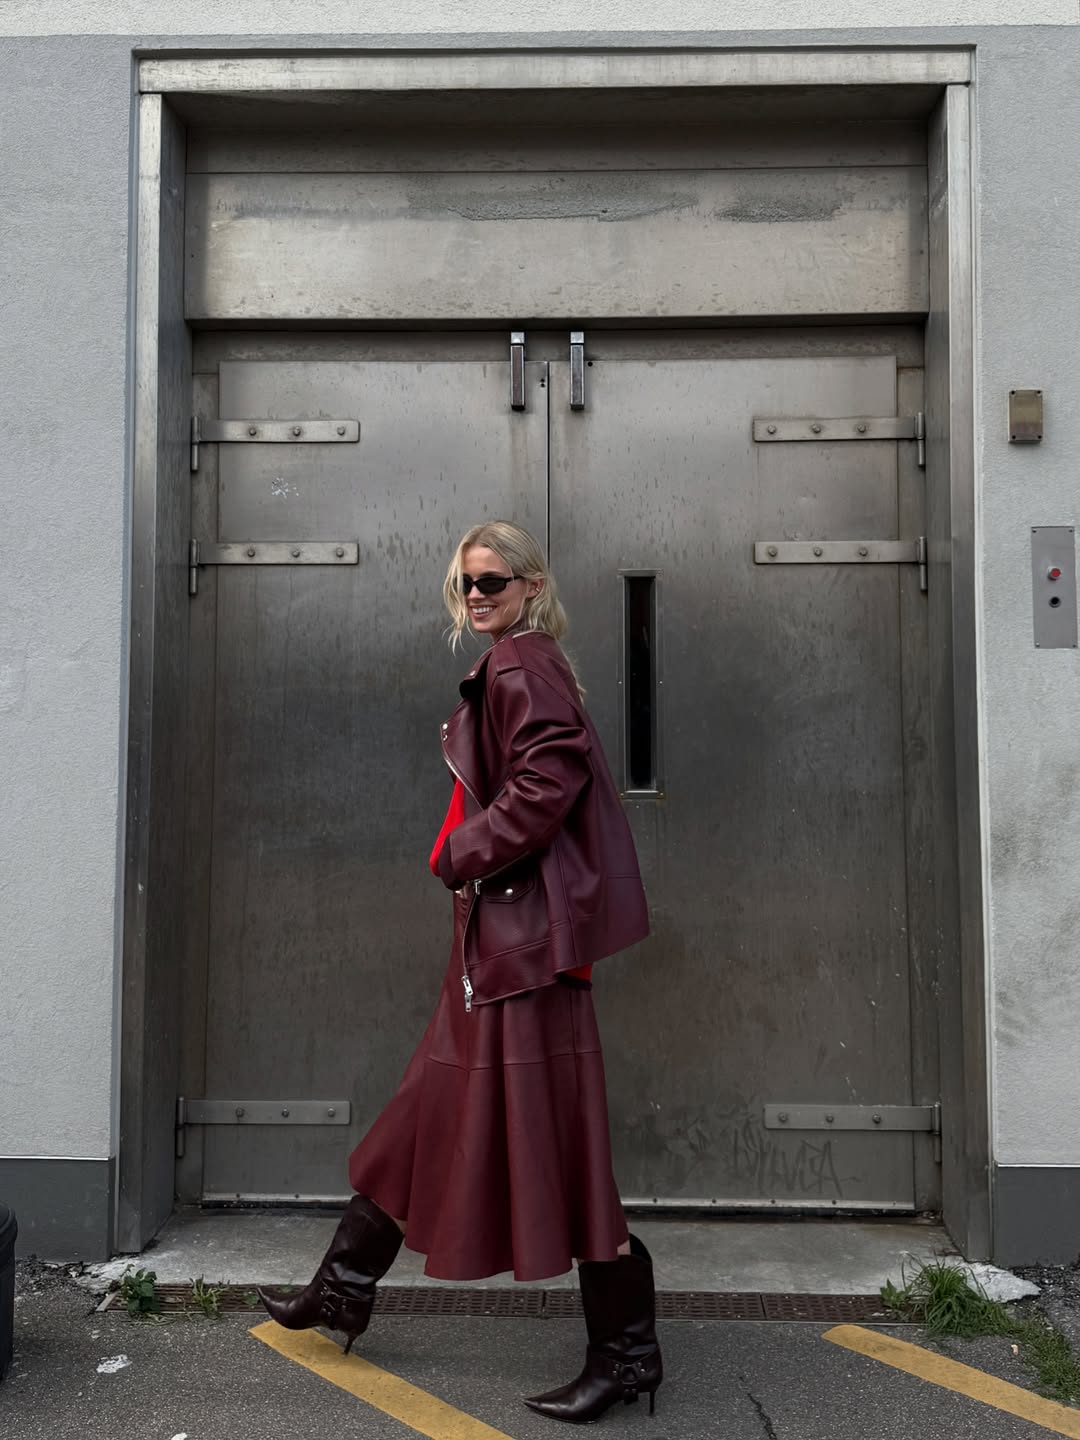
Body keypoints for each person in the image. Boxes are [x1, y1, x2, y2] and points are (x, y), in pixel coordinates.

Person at [259, 520, 659, 1422]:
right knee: (422, 1115)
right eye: (465, 583)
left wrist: (461, 852)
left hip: (523, 954)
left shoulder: (521, 665)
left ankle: (628, 1353)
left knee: (565, 1146)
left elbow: (547, 784)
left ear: (530, 586)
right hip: (499, 947)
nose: (477, 596)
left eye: (493, 581)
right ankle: (342, 1287)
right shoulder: (521, 663)